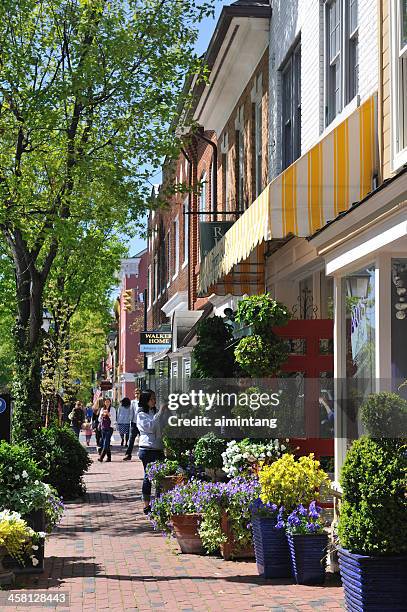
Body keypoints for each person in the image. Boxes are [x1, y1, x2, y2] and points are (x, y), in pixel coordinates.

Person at [137, 391, 168, 514]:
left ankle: (159, 503)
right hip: (147, 449)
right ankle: (146, 504)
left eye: (155, 399)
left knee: (161, 477)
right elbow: (150, 427)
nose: (154, 401)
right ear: (145, 400)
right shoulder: (141, 414)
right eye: (152, 399)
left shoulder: (156, 412)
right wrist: (160, 413)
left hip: (159, 448)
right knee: (148, 477)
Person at [123, 387, 141, 460]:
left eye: (138, 393)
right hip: (134, 423)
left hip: (142, 423)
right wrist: (130, 421)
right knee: (131, 439)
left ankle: (142, 453)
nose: (136, 395)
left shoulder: (143, 401)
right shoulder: (133, 402)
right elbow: (131, 412)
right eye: (136, 393)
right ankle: (128, 454)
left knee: (143, 438)